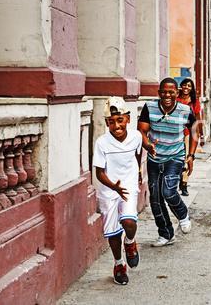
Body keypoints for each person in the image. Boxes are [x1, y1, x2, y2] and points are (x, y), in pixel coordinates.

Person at [137, 77, 197, 247]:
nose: (167, 95)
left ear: (177, 93)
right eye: (164, 91)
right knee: (155, 199)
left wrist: (191, 156)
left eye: (171, 92)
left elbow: (194, 133)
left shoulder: (185, 110)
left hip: (175, 157)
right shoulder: (150, 108)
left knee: (168, 191)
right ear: (159, 93)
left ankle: (183, 214)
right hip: (154, 158)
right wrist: (147, 145)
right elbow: (141, 131)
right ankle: (166, 234)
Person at [92, 96, 142, 285]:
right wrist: (113, 186)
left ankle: (130, 242)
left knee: (129, 222)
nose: (116, 125)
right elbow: (99, 172)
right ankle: (119, 264)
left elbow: (138, 153)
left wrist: (138, 173)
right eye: (111, 122)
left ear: (127, 119)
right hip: (109, 191)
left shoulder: (136, 136)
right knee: (113, 233)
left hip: (127, 187)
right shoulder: (102, 143)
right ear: (106, 123)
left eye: (120, 120)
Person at [176, 78, 204, 196]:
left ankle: (184, 184)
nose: (186, 87)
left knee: (188, 158)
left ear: (191, 88)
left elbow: (198, 118)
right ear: (181, 86)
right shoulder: (175, 99)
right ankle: (176, 180)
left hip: (188, 133)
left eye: (189, 86)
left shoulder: (194, 101)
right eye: (184, 85)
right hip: (176, 132)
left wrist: (201, 134)